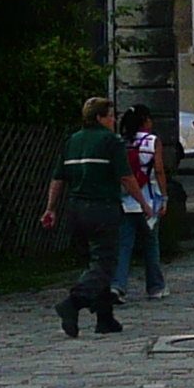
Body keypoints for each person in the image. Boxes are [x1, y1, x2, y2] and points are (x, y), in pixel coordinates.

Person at [44, 97, 130, 337]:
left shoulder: (72, 141)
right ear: (101, 118)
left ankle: (105, 318)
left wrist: (50, 208)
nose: (114, 120)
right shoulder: (111, 141)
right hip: (103, 207)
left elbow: (58, 178)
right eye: (111, 116)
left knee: (94, 260)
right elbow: (125, 176)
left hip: (76, 210)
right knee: (105, 262)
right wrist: (145, 203)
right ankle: (73, 303)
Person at [119, 104, 167, 300]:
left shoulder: (121, 142)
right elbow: (159, 170)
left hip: (125, 200)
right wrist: (164, 196)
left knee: (124, 245)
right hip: (148, 199)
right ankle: (155, 286)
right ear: (146, 120)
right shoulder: (152, 141)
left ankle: (118, 285)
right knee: (151, 244)